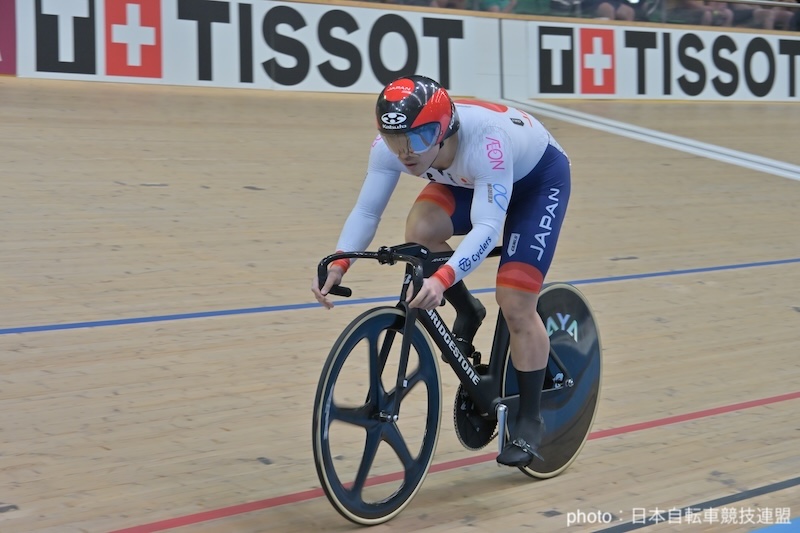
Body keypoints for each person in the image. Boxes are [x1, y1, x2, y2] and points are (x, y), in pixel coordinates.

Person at [311, 75, 571, 468]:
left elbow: (487, 229)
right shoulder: (393, 148)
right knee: (420, 232)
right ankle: (468, 310)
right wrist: (341, 261)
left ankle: (531, 419)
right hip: (471, 178)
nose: (407, 154)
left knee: (516, 303)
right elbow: (367, 211)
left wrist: (443, 277)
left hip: (536, 182)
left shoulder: (486, 140)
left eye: (418, 139)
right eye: (397, 141)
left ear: (445, 130)